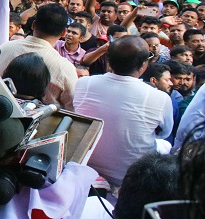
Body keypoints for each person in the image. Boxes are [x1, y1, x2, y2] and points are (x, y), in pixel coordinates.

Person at [73, 36, 174, 188]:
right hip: (129, 178)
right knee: (165, 145)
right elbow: (164, 132)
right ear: (143, 65)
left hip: (85, 167)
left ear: (109, 61)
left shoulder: (83, 83)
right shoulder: (160, 97)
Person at [0, 3, 78, 110]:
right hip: (44, 124)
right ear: (64, 33)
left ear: (33, 25)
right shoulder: (65, 67)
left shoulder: (5, 48)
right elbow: (72, 108)